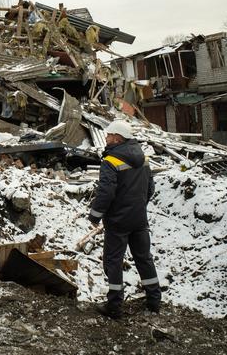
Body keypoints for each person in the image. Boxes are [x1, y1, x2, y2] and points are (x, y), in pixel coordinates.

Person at [88, 120, 161, 318]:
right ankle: (154, 301)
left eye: (109, 135)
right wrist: (138, 207)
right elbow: (150, 188)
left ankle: (114, 306)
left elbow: (106, 192)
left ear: (118, 138)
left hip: (118, 222)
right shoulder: (143, 158)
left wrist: (95, 214)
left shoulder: (110, 161)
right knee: (144, 258)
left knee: (113, 261)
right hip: (139, 219)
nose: (106, 137)